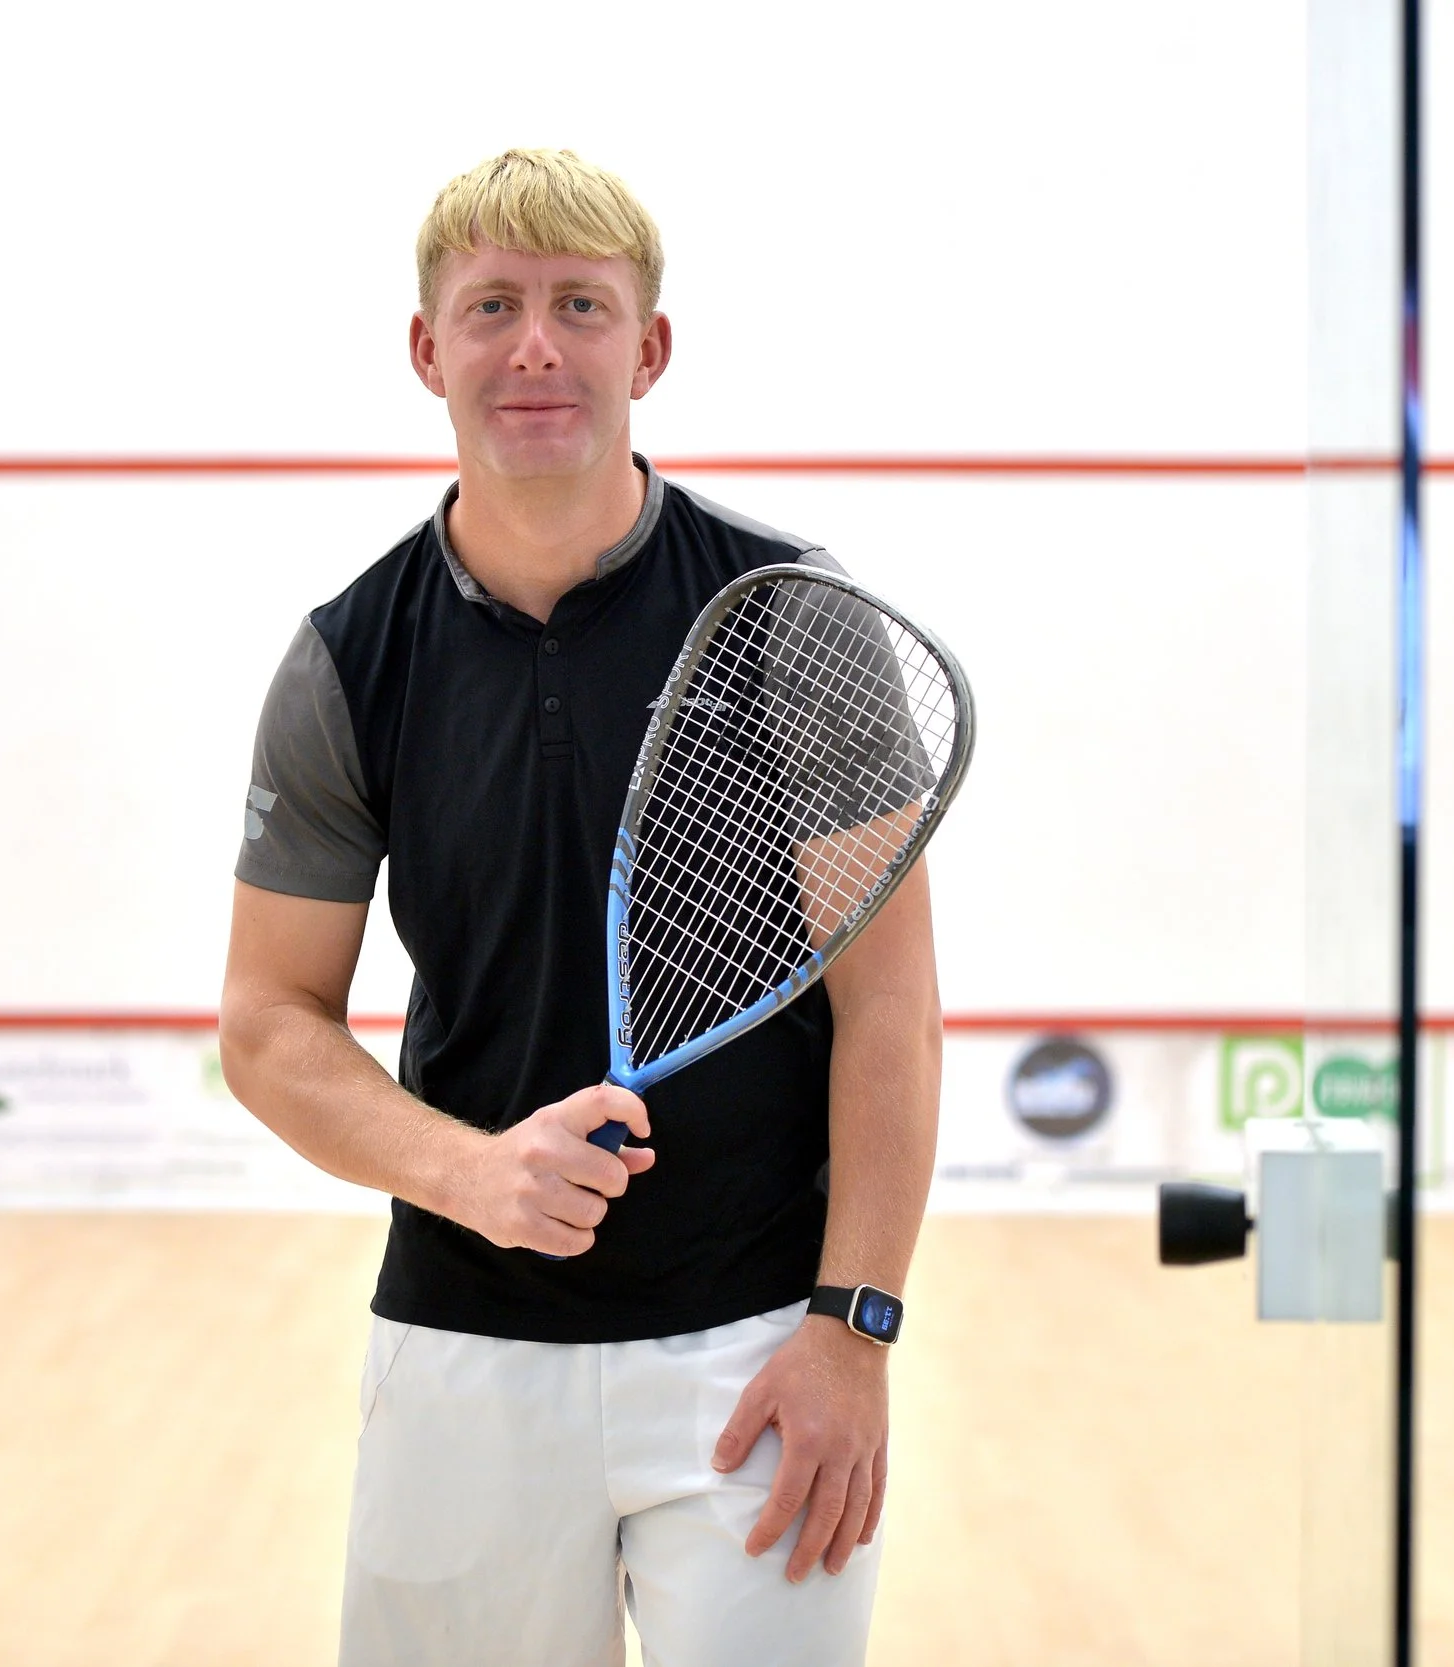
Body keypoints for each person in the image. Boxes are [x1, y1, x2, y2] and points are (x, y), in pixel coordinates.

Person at [218, 148, 941, 1667]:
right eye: (492, 306)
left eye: (580, 306)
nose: (536, 346)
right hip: (461, 1349)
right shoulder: (348, 658)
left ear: (649, 348)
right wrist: (472, 1172)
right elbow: (269, 1022)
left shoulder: (791, 618)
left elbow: (888, 1008)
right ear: (428, 351)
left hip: (759, 1355)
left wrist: (853, 1326)